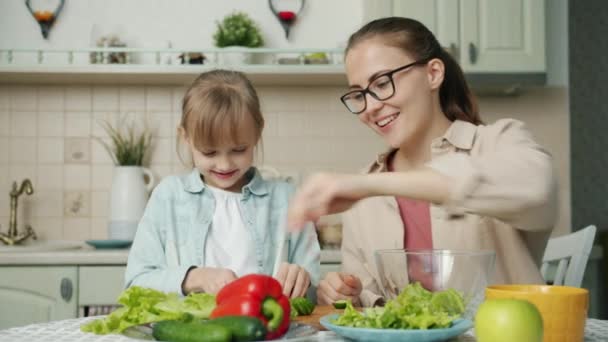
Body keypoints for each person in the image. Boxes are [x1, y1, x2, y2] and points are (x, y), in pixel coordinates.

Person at [288, 17, 558, 307]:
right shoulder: (362, 195)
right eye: (359, 94)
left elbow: (538, 191)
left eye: (381, 82)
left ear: (433, 73)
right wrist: (347, 293)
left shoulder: (499, 142)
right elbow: (369, 298)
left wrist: (366, 185)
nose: (371, 106)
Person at [125, 70, 320, 298]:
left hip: (267, 333)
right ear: (186, 137)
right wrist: (194, 277)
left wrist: (304, 282)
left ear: (258, 132)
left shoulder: (288, 199)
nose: (224, 164)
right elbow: (135, 284)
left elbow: (314, 293)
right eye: (209, 152)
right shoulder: (168, 196)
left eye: (238, 150)